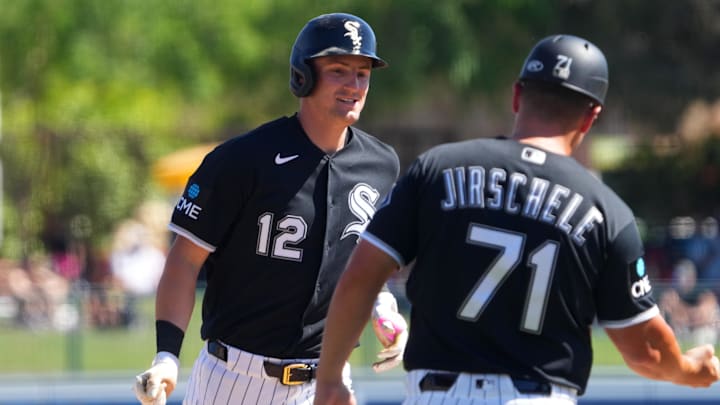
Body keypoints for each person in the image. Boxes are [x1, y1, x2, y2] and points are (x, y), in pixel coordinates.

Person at [314, 34, 720, 405]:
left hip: (437, 395)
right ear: (591, 116)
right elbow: (645, 349)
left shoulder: (438, 168)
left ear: (516, 96)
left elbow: (361, 275)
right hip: (539, 397)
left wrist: (331, 379)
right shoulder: (606, 210)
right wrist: (687, 370)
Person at [132, 12, 406, 405]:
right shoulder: (243, 159)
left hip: (329, 380)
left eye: (363, 73)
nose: (354, 84)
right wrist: (166, 356)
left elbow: (361, 258)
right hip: (236, 379)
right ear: (303, 76)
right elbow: (184, 260)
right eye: (339, 70)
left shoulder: (381, 165)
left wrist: (384, 306)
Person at [659, 258, 720, 346]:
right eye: (678, 276)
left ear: (693, 277)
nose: (681, 280)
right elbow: (665, 320)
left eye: (685, 276)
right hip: (684, 333)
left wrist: (679, 308)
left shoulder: (705, 293)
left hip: (705, 333)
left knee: (702, 335)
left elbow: (700, 318)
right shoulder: (671, 295)